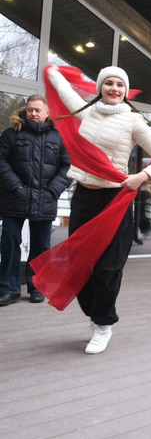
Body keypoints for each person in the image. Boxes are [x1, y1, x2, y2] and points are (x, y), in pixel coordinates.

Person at [46, 66, 151, 354]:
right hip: (83, 199)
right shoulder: (87, 113)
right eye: (108, 83)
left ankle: (104, 325)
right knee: (80, 264)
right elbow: (65, 94)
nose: (114, 89)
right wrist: (52, 72)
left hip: (114, 200)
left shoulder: (134, 122)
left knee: (108, 267)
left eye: (119, 85)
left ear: (125, 91)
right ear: (100, 87)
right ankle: (95, 316)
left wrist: (141, 177)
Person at [0, 96, 71, 306]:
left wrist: (53, 190)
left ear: (47, 113)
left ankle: (37, 288)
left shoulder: (59, 138)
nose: (33, 114)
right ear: (25, 111)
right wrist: (16, 186)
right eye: (30, 110)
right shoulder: (11, 135)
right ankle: (8, 289)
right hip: (14, 199)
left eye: (38, 110)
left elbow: (68, 167)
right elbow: (1, 161)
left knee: (41, 247)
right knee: (10, 243)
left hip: (45, 199)